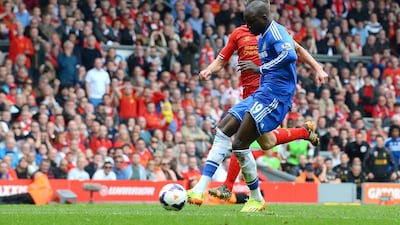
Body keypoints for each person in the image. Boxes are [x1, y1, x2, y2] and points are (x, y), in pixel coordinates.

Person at [187, 0, 327, 212]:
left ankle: (230, 187)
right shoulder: (242, 33)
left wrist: (318, 67)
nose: (248, 24)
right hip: (254, 94)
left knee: (241, 140)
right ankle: (303, 132)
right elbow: (222, 58)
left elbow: (295, 51)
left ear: (263, 13)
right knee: (261, 140)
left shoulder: (277, 32)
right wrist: (208, 70)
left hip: (272, 96)